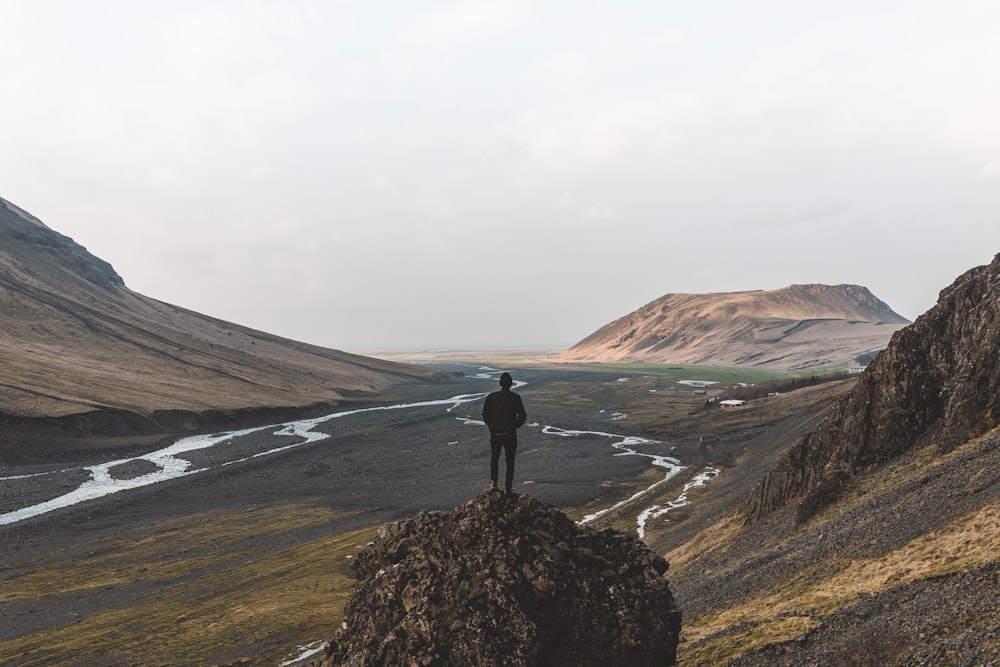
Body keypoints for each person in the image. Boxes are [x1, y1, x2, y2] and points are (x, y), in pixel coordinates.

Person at [481, 372, 527, 495]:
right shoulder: (515, 397)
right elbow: (522, 416)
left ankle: (493, 484)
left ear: (500, 383)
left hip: (495, 434)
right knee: (510, 461)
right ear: (511, 384)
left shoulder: (491, 397)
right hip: (510, 434)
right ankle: (508, 488)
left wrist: (492, 426)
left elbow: (485, 415)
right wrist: (514, 426)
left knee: (494, 459)